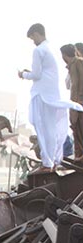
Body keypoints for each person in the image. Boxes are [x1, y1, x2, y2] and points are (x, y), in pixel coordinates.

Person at [19, 23, 83, 171]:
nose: (33, 41)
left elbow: (37, 74)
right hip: (54, 95)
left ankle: (49, 162)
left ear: (37, 34)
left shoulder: (40, 50)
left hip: (45, 96)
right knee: (59, 127)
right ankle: (54, 159)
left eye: (33, 37)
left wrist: (23, 74)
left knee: (45, 126)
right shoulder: (50, 50)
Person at [61, 44, 83, 161]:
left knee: (80, 128)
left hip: (79, 103)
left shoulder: (79, 63)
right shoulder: (71, 66)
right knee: (76, 128)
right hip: (74, 104)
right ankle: (78, 156)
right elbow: (69, 85)